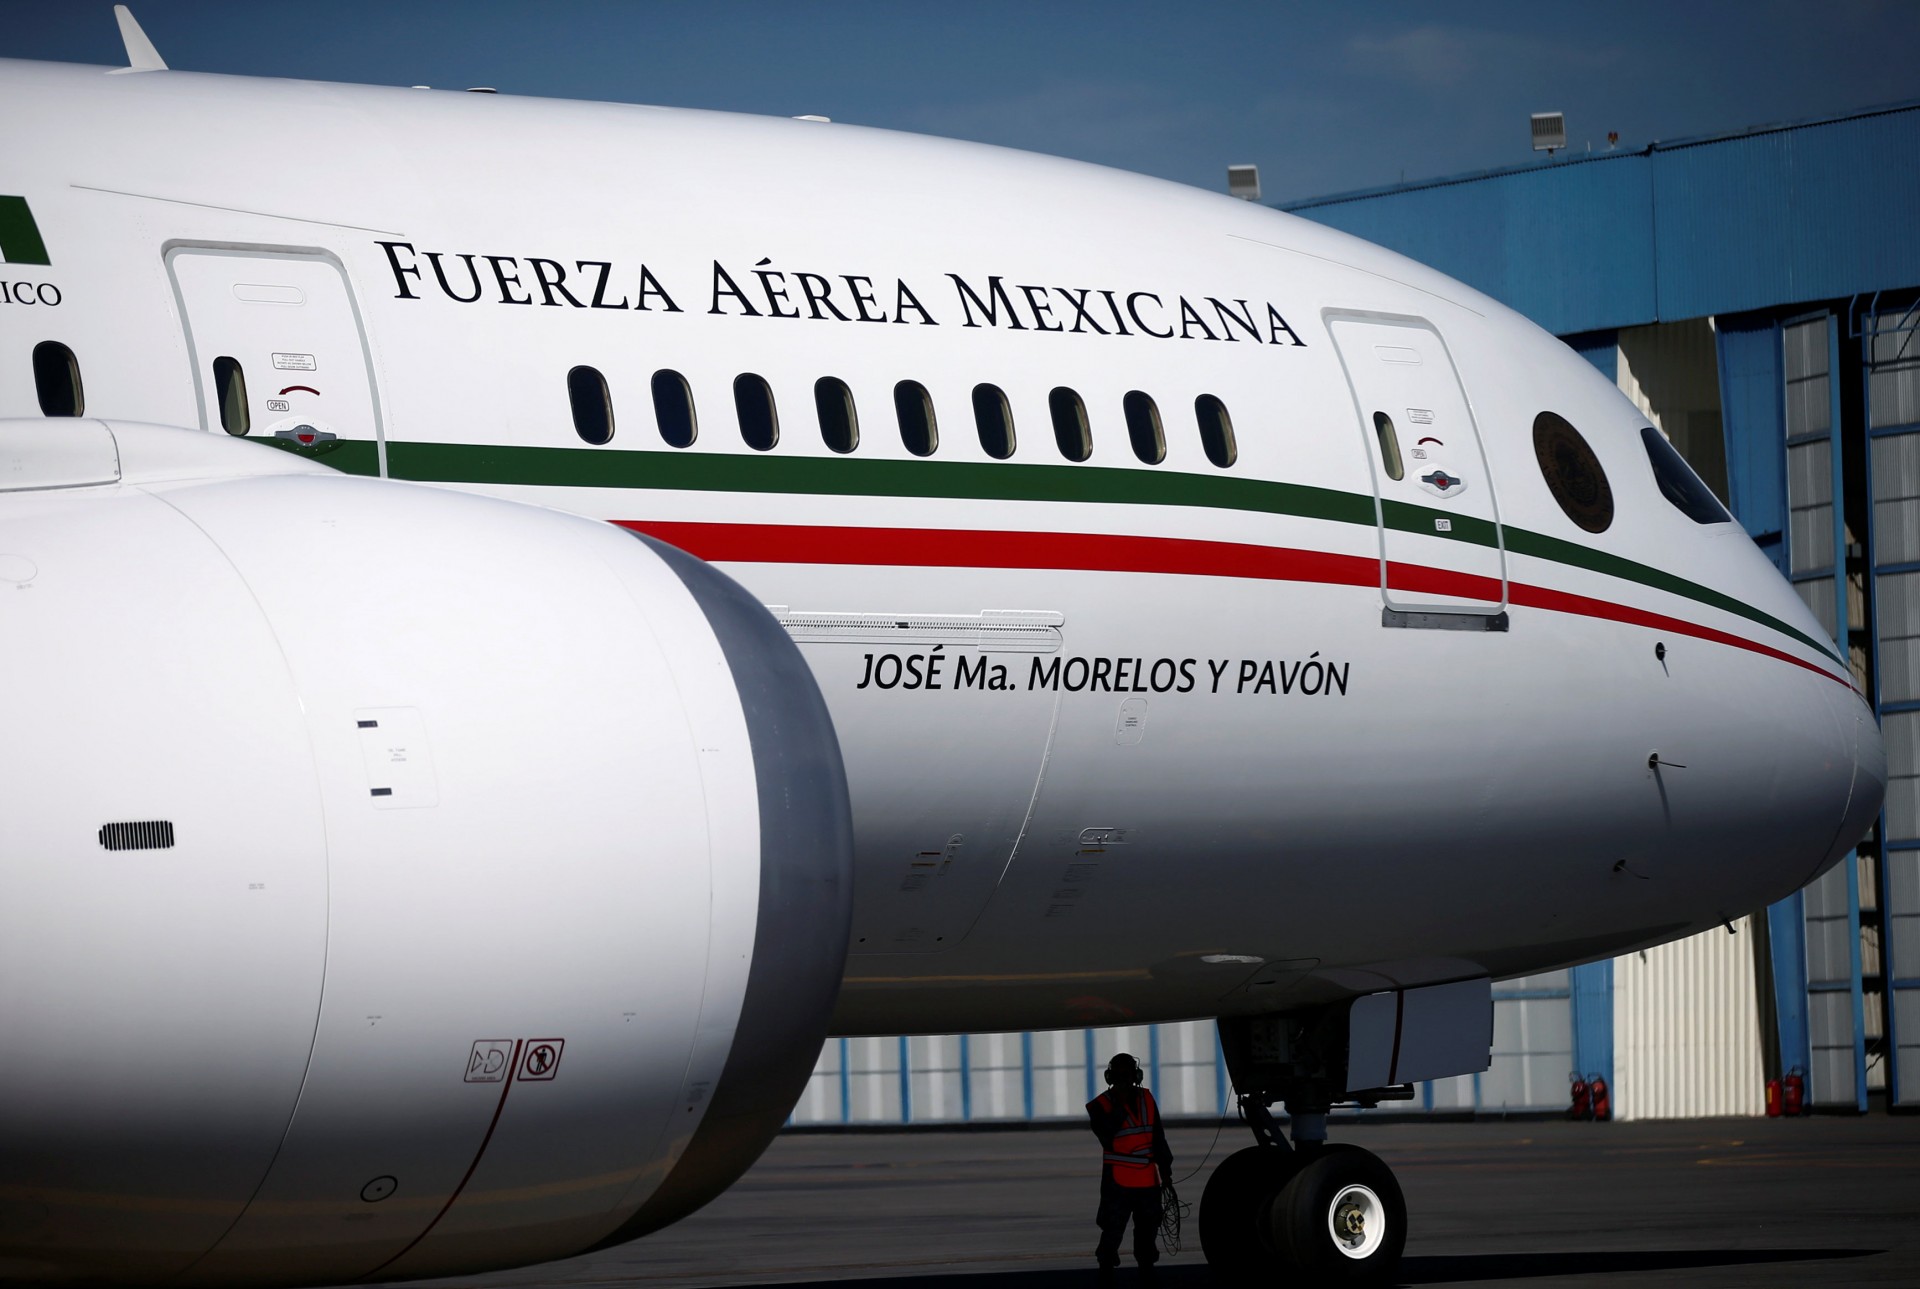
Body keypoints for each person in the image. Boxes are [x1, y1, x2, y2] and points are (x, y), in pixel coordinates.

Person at [1086, 1052, 1173, 1276]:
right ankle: (1106, 1267)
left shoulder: (1146, 1098)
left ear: (1136, 1075)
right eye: (1120, 1076)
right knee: (1112, 1231)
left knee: (1148, 1231)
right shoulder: (1099, 1106)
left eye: (1128, 1075)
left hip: (1147, 1180)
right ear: (1110, 1078)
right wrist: (1120, 1105)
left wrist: (1166, 1173)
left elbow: (1157, 1137)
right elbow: (1106, 1135)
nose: (1124, 1080)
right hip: (1118, 1183)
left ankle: (1146, 1268)